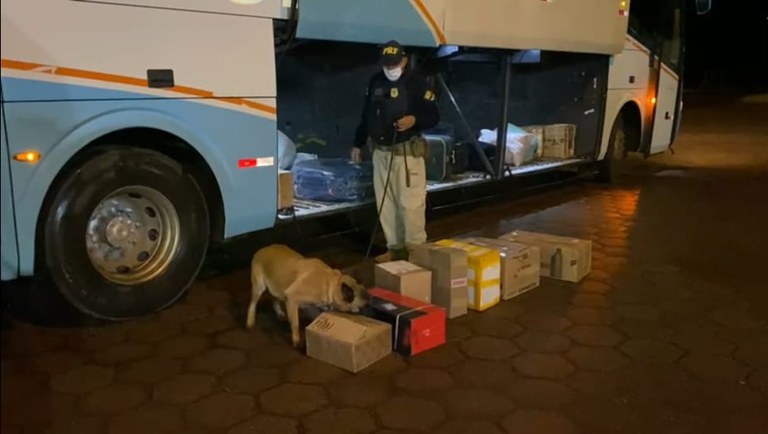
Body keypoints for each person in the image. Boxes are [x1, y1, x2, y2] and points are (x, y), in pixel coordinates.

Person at [351, 40, 440, 263]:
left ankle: (416, 252)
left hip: (406, 155)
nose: (390, 69)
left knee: (410, 205)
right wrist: (358, 143)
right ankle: (395, 249)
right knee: (387, 204)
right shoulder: (376, 82)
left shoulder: (417, 83)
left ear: (404, 60)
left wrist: (414, 120)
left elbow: (434, 115)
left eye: (394, 64)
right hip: (381, 154)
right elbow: (365, 115)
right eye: (386, 65)